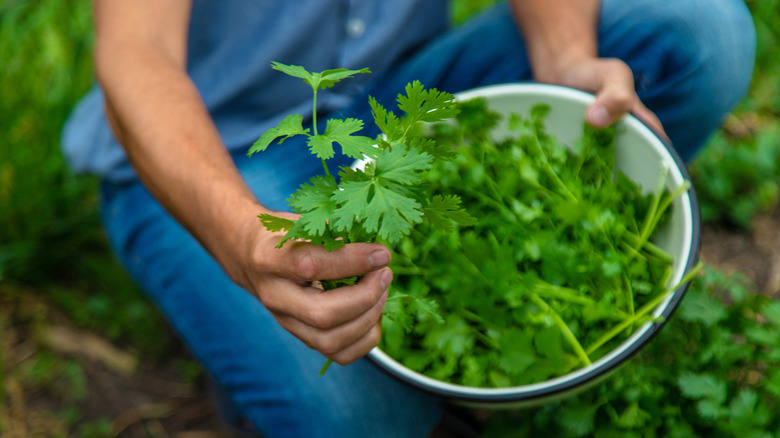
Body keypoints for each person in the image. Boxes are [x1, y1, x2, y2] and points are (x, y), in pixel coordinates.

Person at [62, 1, 755, 436]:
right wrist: (242, 237)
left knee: (700, 30)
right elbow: (135, 51)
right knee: (366, 420)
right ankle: (240, 305)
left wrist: (564, 59)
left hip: (403, 102)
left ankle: (300, 320)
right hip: (218, 152)